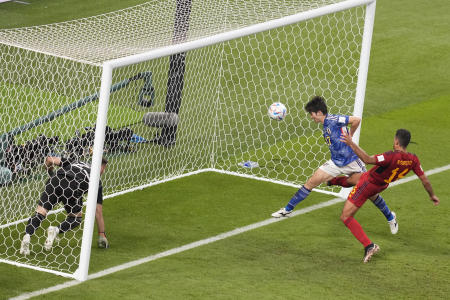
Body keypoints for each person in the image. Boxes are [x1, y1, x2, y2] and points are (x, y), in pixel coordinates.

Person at [271, 96, 398, 234]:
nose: (311, 117)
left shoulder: (334, 120)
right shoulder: (325, 124)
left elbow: (356, 120)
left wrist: (350, 136)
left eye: (311, 114)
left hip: (352, 162)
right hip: (336, 162)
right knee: (311, 182)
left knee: (371, 193)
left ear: (319, 112)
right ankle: (287, 210)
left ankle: (391, 217)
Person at [340, 129, 440, 263]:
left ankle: (369, 246)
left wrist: (351, 143)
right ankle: (328, 181)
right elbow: (425, 180)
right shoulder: (413, 159)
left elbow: (367, 159)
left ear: (396, 141)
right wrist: (432, 195)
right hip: (381, 185)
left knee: (346, 216)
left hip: (368, 185)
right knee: (352, 179)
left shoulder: (391, 156)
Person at [20, 156, 109, 256]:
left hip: (55, 180)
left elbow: (49, 160)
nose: (103, 171)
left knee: (41, 212)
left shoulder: (76, 161)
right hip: (72, 185)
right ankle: (55, 230)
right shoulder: (97, 182)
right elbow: (98, 211)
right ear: (102, 167)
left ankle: (27, 236)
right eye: (104, 168)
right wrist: (102, 235)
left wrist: (49, 170)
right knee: (76, 218)